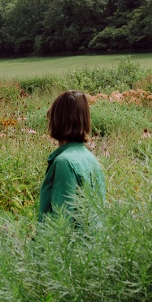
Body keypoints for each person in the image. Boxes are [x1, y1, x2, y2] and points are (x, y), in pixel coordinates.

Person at [38, 90, 106, 221]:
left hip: (69, 241)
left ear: (56, 120)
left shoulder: (64, 162)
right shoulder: (91, 159)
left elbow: (61, 221)